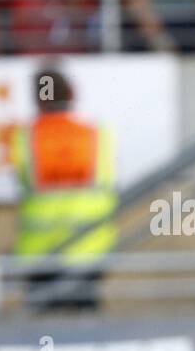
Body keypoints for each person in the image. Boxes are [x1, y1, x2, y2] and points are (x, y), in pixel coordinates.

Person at [8, 69, 118, 312]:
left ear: (37, 98)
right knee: (84, 326)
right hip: (89, 246)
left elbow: (23, 180)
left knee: (41, 331)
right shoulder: (97, 133)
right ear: (71, 93)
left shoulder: (25, 137)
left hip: (40, 251)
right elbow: (108, 181)